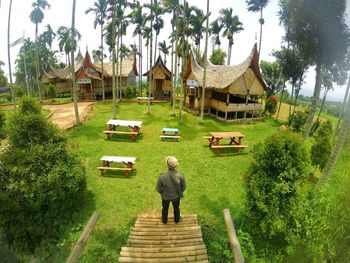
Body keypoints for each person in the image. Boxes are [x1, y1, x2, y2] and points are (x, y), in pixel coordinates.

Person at [156, 156, 186, 224]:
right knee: (176, 208)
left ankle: (164, 220)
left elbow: (158, 189)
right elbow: (183, 188)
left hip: (165, 197)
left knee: (165, 209)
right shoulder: (180, 175)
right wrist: (178, 192)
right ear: (176, 165)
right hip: (176, 197)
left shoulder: (162, 176)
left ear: (167, 165)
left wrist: (162, 193)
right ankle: (177, 220)